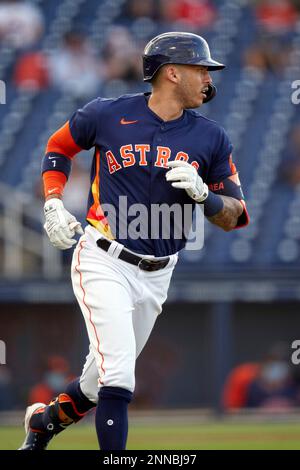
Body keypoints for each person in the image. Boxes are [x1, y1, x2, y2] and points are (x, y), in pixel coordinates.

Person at [19, 31, 249, 451]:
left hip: (158, 274)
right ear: (171, 73)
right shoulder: (107, 114)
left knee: (94, 383)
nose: (208, 78)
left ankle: (44, 424)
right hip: (104, 258)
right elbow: (58, 147)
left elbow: (235, 217)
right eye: (200, 69)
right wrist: (53, 202)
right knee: (121, 375)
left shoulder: (211, 138)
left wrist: (206, 195)